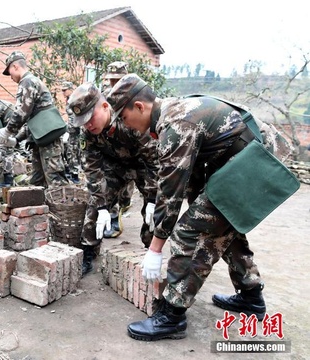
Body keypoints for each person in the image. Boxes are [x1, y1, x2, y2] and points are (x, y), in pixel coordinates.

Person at [106, 73, 295, 341]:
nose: (127, 126)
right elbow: (191, 178)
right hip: (251, 158)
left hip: (261, 162)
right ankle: (251, 296)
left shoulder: (176, 125)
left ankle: (172, 315)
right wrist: (196, 211)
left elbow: (170, 193)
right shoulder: (173, 113)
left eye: (123, 118)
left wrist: (155, 247)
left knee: (189, 233)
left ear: (139, 107)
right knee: (216, 223)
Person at [67, 82, 159, 276]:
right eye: (83, 121)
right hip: (114, 167)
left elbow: (154, 162)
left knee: (155, 211)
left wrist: (151, 198)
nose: (88, 125)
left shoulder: (130, 118)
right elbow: (92, 170)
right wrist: (101, 207)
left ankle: (150, 252)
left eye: (91, 117)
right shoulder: (88, 133)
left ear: (105, 106)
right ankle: (88, 251)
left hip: (143, 166)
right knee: (95, 204)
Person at [0, 51, 69, 188]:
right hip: (42, 137)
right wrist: (17, 139)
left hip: (48, 137)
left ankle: (64, 208)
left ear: (16, 66)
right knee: (38, 179)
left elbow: (21, 113)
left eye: (10, 72)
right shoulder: (30, 81)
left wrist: (7, 132)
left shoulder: (27, 82)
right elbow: (32, 118)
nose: (10, 77)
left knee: (55, 179)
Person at [101, 61, 135, 238]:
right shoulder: (105, 96)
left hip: (133, 148)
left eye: (119, 79)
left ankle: (124, 203)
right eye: (112, 80)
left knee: (127, 184)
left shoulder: (136, 95)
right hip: (112, 148)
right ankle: (113, 217)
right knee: (109, 184)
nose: (115, 84)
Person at [61, 81, 81, 184]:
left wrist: (75, 129)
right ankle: (70, 171)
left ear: (70, 89)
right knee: (69, 150)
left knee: (74, 151)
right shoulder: (69, 100)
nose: (63, 93)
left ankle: (75, 174)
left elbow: (77, 116)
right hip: (71, 130)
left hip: (76, 131)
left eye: (65, 90)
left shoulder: (75, 99)